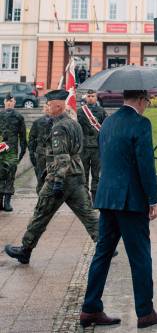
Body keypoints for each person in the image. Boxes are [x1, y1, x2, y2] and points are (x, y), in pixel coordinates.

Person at [80, 90, 157, 329]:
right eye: (146, 101)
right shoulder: (140, 123)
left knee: (102, 254)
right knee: (140, 257)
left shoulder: (107, 122)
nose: (146, 106)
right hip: (131, 200)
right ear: (140, 100)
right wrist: (153, 199)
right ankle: (145, 312)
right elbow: (145, 164)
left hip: (107, 197)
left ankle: (90, 308)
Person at [4, 89, 98, 264]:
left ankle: (25, 250)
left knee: (41, 213)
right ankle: (105, 246)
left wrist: (57, 181)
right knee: (88, 214)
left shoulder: (58, 128)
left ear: (57, 106)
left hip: (60, 178)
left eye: (48, 105)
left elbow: (61, 157)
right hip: (77, 176)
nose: (46, 107)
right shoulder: (74, 124)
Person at [77, 91, 108, 203]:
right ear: (86, 97)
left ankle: (96, 199)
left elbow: (106, 128)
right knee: (83, 174)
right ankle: (85, 200)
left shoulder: (102, 111)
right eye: (88, 96)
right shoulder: (80, 112)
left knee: (96, 174)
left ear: (96, 97)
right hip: (84, 147)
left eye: (92, 96)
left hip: (97, 147)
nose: (90, 98)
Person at [0, 94, 27, 212]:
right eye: (7, 101)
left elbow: (22, 136)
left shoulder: (19, 117)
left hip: (12, 151)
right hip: (1, 150)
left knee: (10, 176)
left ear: (14, 103)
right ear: (4, 102)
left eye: (11, 101)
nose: (9, 103)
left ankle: (7, 202)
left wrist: (22, 153)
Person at [28, 102, 53, 193]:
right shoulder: (37, 122)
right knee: (40, 178)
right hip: (40, 154)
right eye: (45, 107)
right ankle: (41, 201)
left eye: (49, 106)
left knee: (52, 178)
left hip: (53, 154)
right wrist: (31, 153)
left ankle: (50, 201)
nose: (47, 109)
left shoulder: (57, 122)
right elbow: (32, 139)